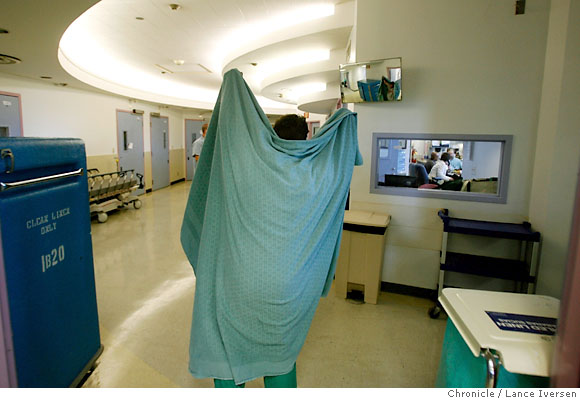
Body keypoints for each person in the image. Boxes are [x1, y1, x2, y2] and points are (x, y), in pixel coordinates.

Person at [180, 68, 361, 390]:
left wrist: (234, 89)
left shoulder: (245, 163)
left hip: (236, 279)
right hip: (290, 287)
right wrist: (343, 116)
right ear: (307, 136)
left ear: (272, 132)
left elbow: (215, 169)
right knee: (280, 355)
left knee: (226, 350)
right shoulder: (320, 174)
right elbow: (347, 157)